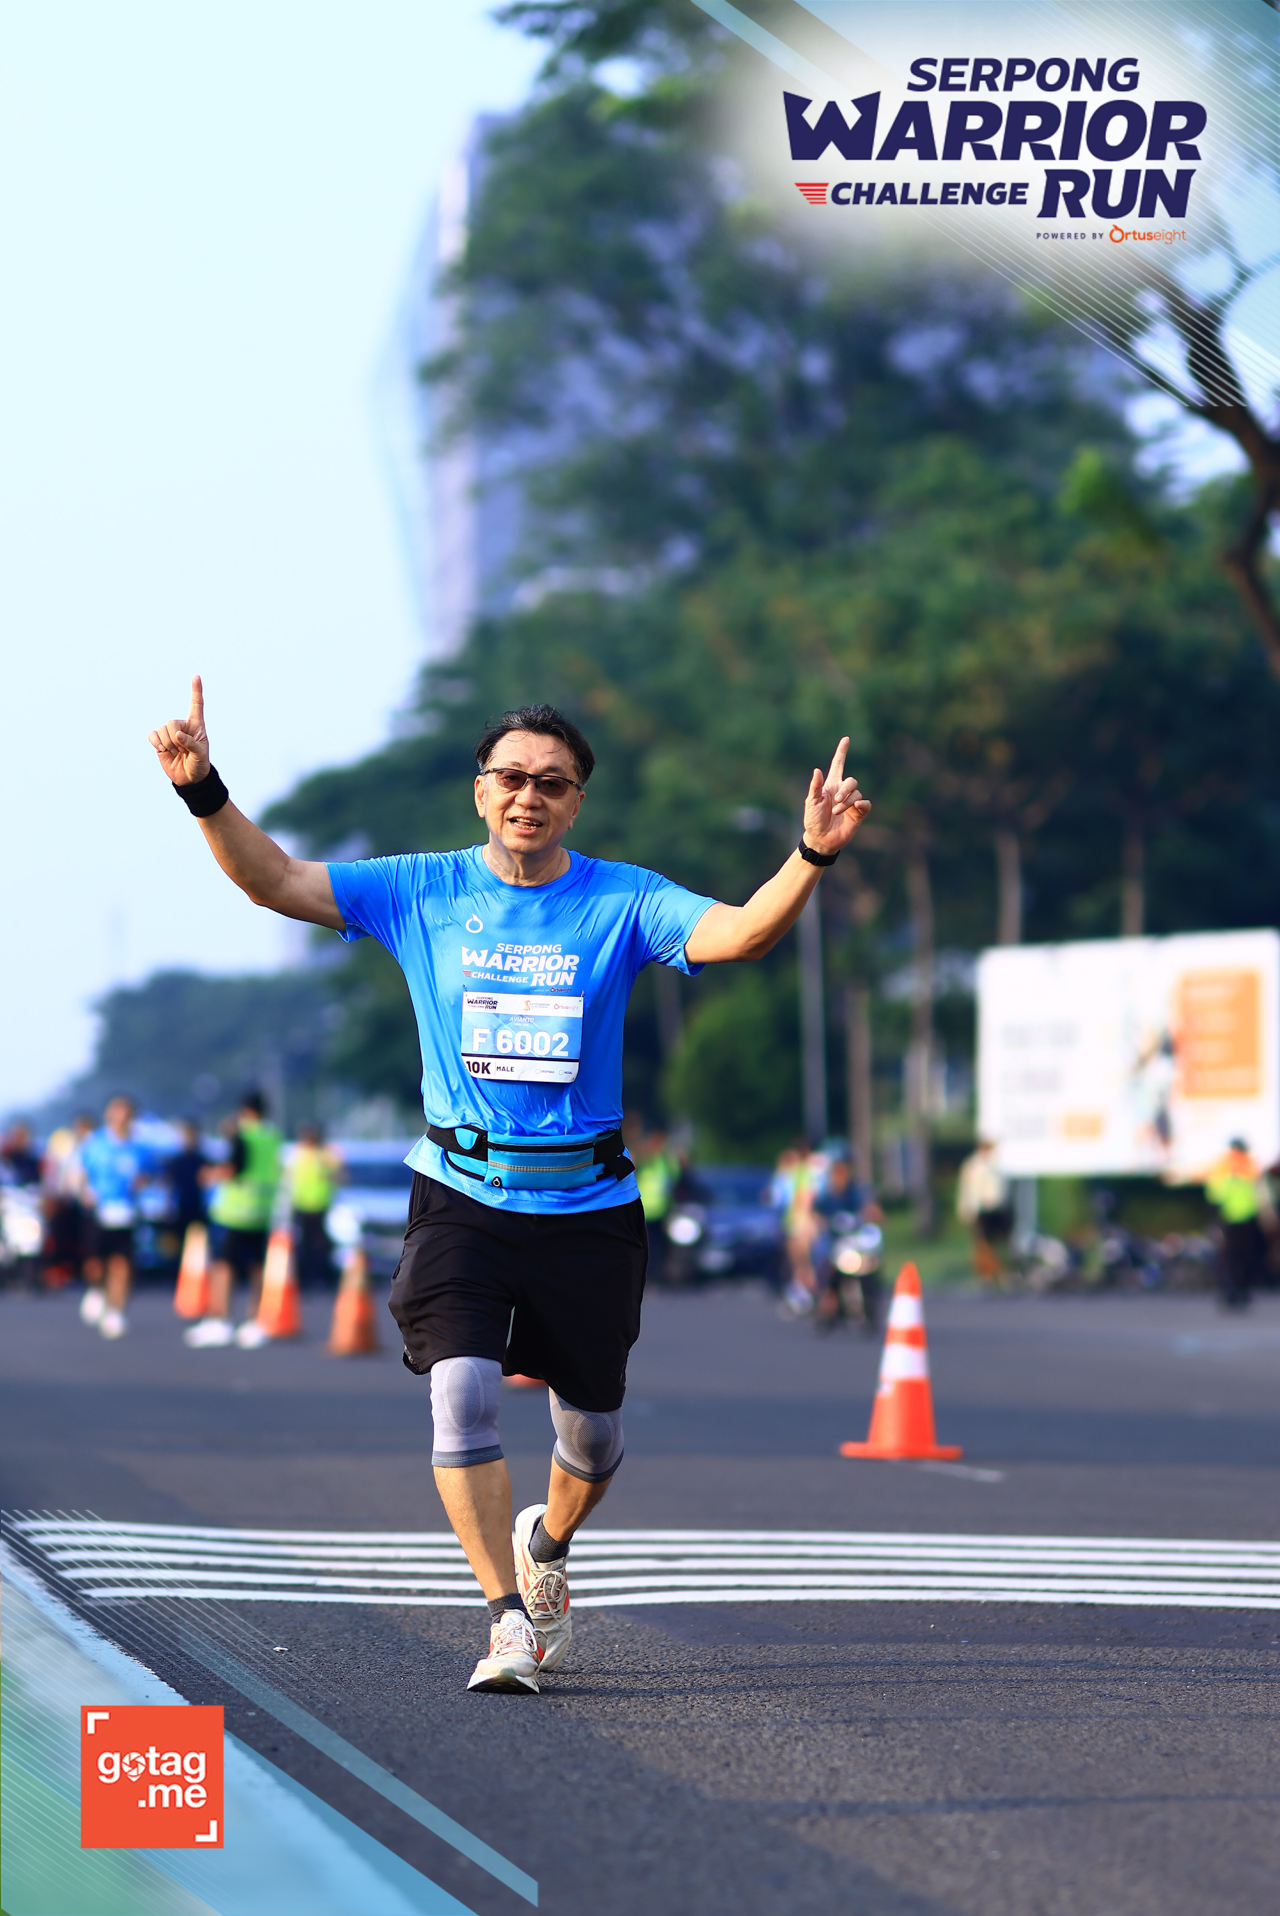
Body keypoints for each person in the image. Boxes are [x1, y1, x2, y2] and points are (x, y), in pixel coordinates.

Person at [149, 676, 869, 1693]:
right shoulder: (419, 889)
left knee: (592, 1434)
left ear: (577, 803)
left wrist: (811, 853)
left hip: (588, 1206)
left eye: (553, 782)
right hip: (461, 1192)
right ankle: (504, 1619)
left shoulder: (623, 899)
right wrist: (202, 788)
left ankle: (549, 1546)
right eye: (512, 777)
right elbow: (273, 879)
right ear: (480, 790)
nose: (530, 794)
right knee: (462, 1394)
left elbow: (743, 931)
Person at [183, 1091, 282, 1348]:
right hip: (261, 1211)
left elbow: (234, 1168)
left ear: (244, 1111)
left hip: (234, 1213)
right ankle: (255, 1321)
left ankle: (220, 1319)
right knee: (256, 1267)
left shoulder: (243, 1135)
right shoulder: (272, 1135)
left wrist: (210, 1175)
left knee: (223, 1266)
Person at [78, 1096, 159, 1338]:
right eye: (117, 1111)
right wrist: (84, 1192)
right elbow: (81, 1173)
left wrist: (143, 1183)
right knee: (95, 1265)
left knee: (122, 1263)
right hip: (99, 1211)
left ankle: (115, 1311)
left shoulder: (140, 1148)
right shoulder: (95, 1143)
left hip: (126, 1212)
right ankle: (97, 1289)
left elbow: (150, 1174)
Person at [1205, 1138, 1273, 1311]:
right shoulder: (1250, 1165)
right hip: (1248, 1219)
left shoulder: (1223, 1166)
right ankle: (1241, 1290)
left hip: (1229, 1218)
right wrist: (1268, 1217)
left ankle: (1231, 1291)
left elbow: (1214, 1194)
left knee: (1229, 1257)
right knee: (1244, 1257)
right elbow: (1262, 1195)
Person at [288, 1123, 344, 1290]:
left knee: (320, 1245)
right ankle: (305, 1277)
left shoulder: (326, 1154)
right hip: (301, 1205)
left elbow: (340, 1175)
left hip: (319, 1206)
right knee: (303, 1244)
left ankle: (320, 1276)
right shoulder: (298, 1153)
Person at [41, 1112, 94, 1286]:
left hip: (89, 1206)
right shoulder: (67, 1148)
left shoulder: (97, 1149)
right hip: (67, 1203)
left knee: (85, 1242)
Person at [956, 1139, 1012, 1285]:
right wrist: (966, 1209)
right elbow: (968, 1190)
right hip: (981, 1209)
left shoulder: (997, 1164)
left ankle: (994, 1271)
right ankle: (989, 1272)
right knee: (983, 1242)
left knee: (996, 1242)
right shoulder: (972, 1165)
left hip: (997, 1208)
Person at [166, 1118, 210, 1239]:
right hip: (179, 1211)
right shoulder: (176, 1161)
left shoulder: (203, 1161)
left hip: (198, 1211)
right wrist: (168, 1210)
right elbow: (169, 1186)